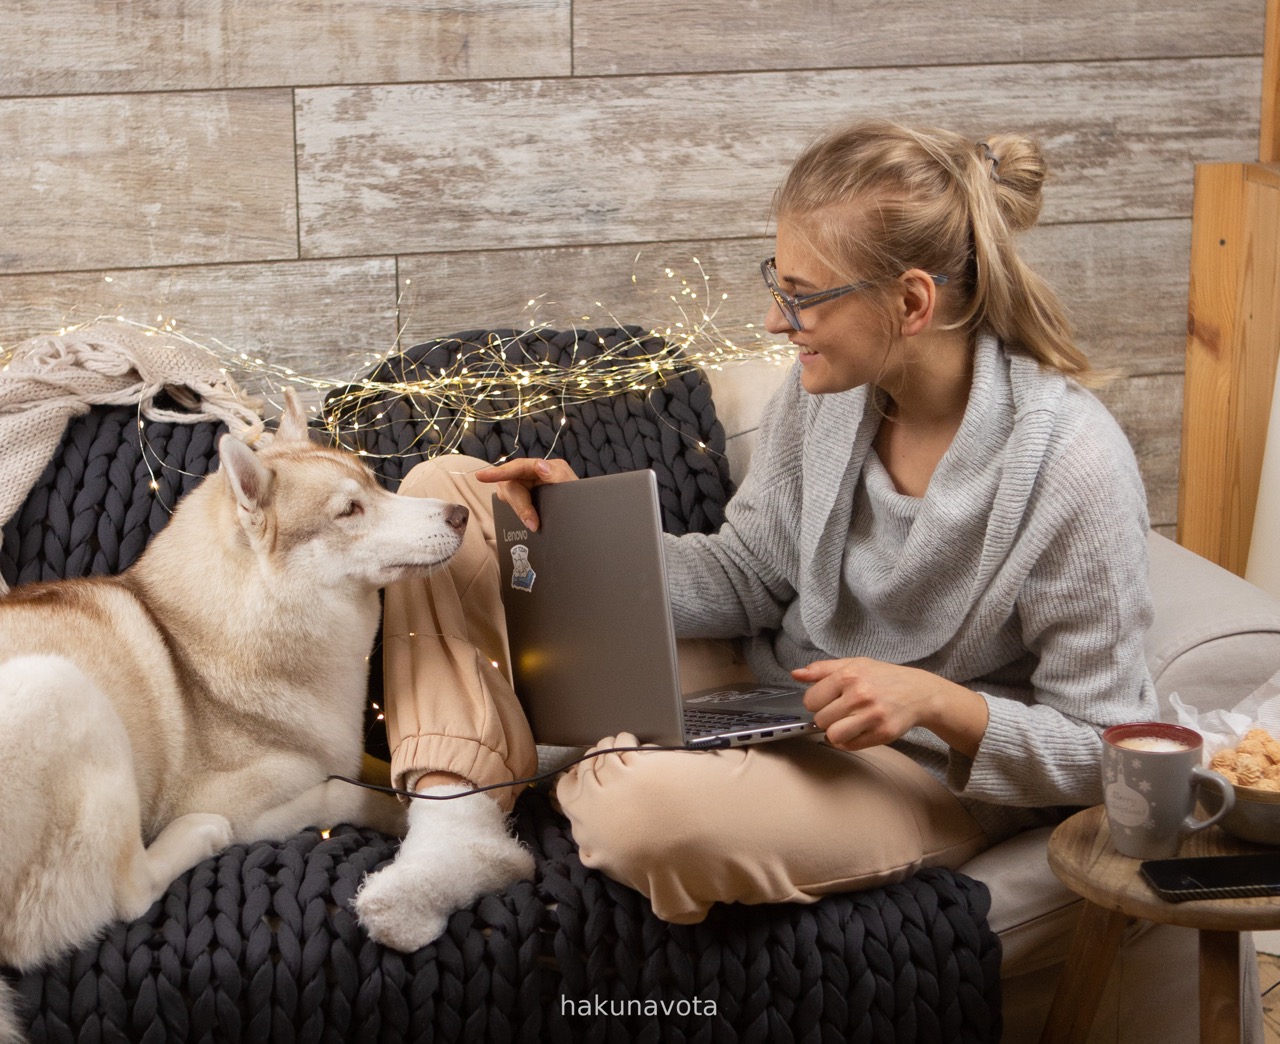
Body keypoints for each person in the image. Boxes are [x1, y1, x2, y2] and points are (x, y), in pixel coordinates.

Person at [351, 119, 1157, 951]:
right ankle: (454, 822)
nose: (777, 320)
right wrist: (580, 547)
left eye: (804, 295)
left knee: (639, 812)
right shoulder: (827, 395)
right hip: (775, 694)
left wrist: (941, 704)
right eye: (780, 281)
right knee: (445, 493)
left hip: (919, 773)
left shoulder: (1073, 464)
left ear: (911, 302)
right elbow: (747, 574)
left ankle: (578, 757)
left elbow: (1113, 749)